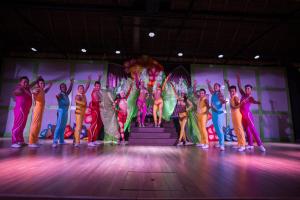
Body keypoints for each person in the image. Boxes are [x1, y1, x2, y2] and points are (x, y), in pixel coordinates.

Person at [237, 74, 266, 152]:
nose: (247, 90)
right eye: (246, 88)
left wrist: (258, 102)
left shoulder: (250, 97)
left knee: (253, 130)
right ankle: (250, 144)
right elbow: (239, 87)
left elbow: (254, 101)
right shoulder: (243, 94)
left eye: (248, 89)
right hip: (243, 116)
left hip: (248, 115)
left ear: (250, 90)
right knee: (247, 130)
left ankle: (260, 145)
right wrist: (238, 79)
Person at [11, 76, 38, 148]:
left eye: (27, 82)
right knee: (17, 126)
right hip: (20, 110)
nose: (26, 83)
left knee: (22, 126)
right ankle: (14, 142)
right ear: (20, 83)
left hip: (25, 110)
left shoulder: (27, 88)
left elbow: (31, 84)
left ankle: (20, 140)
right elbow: (16, 92)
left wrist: (37, 80)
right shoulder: (20, 88)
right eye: (24, 82)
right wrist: (21, 90)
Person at [28, 77, 52, 148]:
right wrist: (33, 92)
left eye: (43, 83)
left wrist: (49, 86)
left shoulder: (42, 90)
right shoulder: (37, 89)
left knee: (38, 125)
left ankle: (35, 140)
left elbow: (46, 91)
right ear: (38, 84)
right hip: (37, 108)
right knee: (35, 125)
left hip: (41, 109)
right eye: (41, 83)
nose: (43, 84)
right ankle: (31, 142)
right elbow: (31, 91)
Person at [224, 79, 246, 152]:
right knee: (236, 129)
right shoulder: (232, 96)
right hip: (233, 114)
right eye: (231, 91)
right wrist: (228, 83)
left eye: (233, 91)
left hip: (237, 114)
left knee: (239, 129)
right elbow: (230, 89)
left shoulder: (236, 97)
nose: (232, 92)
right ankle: (239, 143)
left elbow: (239, 105)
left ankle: (243, 145)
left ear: (235, 91)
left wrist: (233, 107)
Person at [52, 78, 74, 147]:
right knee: (58, 126)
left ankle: (61, 140)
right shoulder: (61, 94)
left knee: (63, 126)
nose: (63, 88)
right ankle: (55, 141)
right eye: (62, 87)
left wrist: (72, 82)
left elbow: (70, 89)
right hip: (61, 111)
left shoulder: (66, 94)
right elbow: (58, 96)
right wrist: (57, 96)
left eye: (64, 87)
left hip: (66, 112)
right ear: (60, 88)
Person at [206, 79, 227, 151]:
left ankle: (222, 145)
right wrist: (208, 83)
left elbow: (222, 100)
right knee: (217, 128)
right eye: (214, 86)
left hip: (219, 113)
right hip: (214, 113)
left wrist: (224, 101)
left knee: (220, 129)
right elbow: (210, 89)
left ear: (219, 87)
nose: (215, 87)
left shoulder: (220, 94)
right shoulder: (214, 93)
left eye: (216, 86)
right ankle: (220, 142)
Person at [73, 75, 91, 147]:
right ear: (78, 90)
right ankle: (77, 142)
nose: (82, 89)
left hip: (82, 113)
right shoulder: (78, 96)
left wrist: (89, 80)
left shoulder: (83, 94)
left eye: (82, 88)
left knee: (79, 127)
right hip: (78, 113)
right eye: (80, 88)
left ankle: (75, 140)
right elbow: (80, 102)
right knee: (78, 127)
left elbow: (87, 87)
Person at [87, 75, 103, 147]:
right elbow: (97, 100)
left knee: (99, 125)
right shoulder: (94, 92)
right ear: (94, 86)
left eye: (99, 86)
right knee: (93, 125)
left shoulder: (99, 92)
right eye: (96, 86)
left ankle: (95, 139)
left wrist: (99, 78)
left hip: (99, 110)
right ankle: (89, 141)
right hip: (95, 111)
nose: (98, 87)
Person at [193, 80, 210, 149]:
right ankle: (202, 142)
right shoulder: (199, 98)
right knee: (200, 129)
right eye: (200, 93)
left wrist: (205, 112)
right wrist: (194, 85)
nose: (201, 94)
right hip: (199, 115)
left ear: (204, 94)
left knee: (203, 129)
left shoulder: (205, 99)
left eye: (202, 93)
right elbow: (194, 93)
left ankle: (206, 143)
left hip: (203, 116)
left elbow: (208, 106)